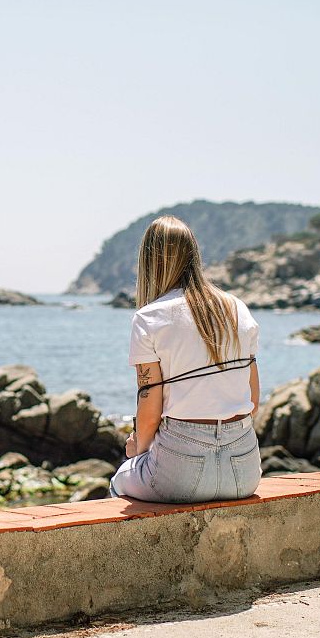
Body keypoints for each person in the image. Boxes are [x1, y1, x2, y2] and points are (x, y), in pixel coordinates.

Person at [110, 215, 261, 503]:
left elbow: (150, 406)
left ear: (149, 262)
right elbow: (253, 399)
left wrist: (138, 448)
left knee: (120, 481)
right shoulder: (238, 308)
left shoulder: (149, 317)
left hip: (181, 470)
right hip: (245, 469)